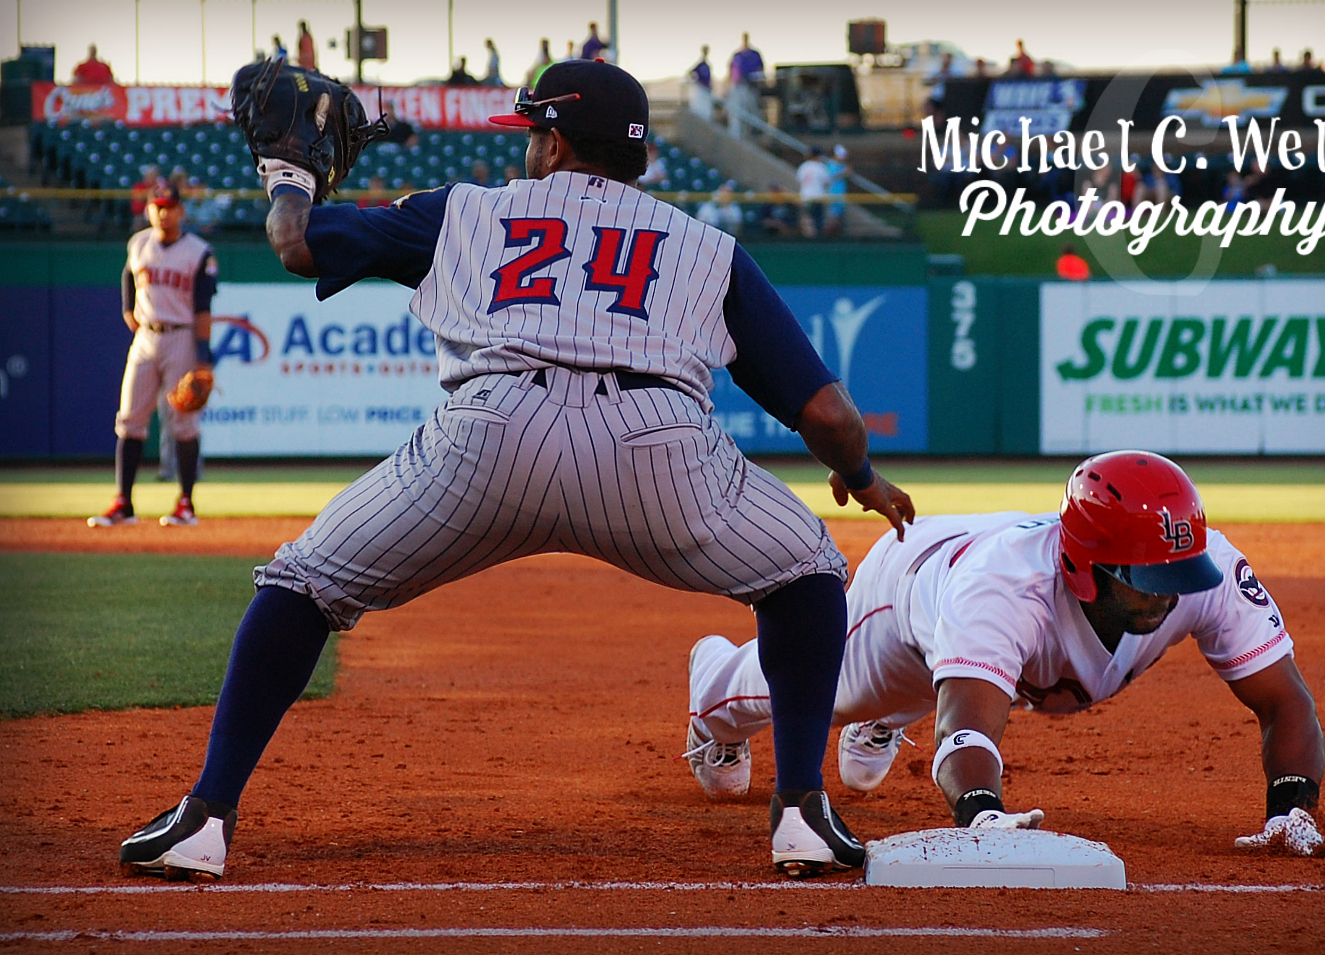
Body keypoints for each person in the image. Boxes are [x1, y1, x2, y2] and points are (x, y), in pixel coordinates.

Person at [118, 58, 914, 884]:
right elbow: (829, 416)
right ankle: (801, 815)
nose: (528, 147)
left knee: (301, 584)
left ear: (556, 144)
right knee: (806, 572)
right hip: (655, 448)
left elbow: (295, 243)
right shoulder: (709, 247)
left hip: (491, 434)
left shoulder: (467, 208)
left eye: (534, 132)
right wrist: (861, 477)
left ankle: (204, 820)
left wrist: (289, 176)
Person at [686, 451, 1325, 857]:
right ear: (1086, 568)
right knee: (810, 693)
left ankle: (889, 715)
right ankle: (712, 689)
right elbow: (965, 730)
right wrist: (982, 815)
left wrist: (1291, 812)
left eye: (1178, 572)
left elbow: (1286, 702)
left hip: (982, 601)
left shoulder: (1206, 571)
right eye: (1147, 578)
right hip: (911, 591)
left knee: (966, 670)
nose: (1168, 592)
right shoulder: (1002, 591)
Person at [88, 182, 217, 529]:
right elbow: (128, 278)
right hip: (145, 337)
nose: (163, 213)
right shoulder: (138, 244)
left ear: (181, 211)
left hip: (181, 336)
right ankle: (123, 503)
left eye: (169, 207)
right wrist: (128, 310)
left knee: (183, 422)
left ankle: (186, 504)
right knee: (130, 419)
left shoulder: (198, 251)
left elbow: (203, 308)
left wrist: (202, 356)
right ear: (148, 209)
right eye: (157, 206)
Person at [727, 32, 765, 138]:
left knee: (752, 113)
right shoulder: (737, 55)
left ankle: (751, 134)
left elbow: (761, 69)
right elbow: (731, 70)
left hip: (752, 87)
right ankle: (738, 135)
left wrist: (761, 82)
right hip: (739, 87)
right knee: (738, 113)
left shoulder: (755, 54)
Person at [795, 145, 830, 238]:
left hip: (805, 197)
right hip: (817, 198)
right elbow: (826, 184)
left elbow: (799, 183)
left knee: (806, 222)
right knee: (817, 223)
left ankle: (807, 240)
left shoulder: (803, 166)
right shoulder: (820, 167)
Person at [823, 144, 849, 237]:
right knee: (832, 220)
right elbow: (828, 179)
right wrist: (843, 173)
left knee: (837, 220)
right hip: (832, 195)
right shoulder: (830, 165)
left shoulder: (841, 165)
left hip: (840, 196)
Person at [923, 52, 958, 121]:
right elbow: (927, 82)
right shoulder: (936, 70)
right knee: (928, 107)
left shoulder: (956, 71)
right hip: (936, 98)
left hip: (949, 99)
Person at [689, 45, 713, 122]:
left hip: (706, 90)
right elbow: (690, 72)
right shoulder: (700, 65)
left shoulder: (707, 65)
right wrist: (697, 81)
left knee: (706, 108)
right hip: (701, 89)